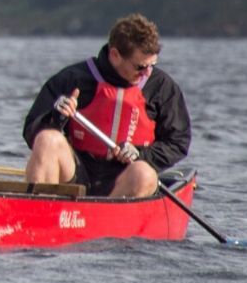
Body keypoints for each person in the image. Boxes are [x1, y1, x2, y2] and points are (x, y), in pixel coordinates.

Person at [22, 13, 190, 198]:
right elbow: (31, 129)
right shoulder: (73, 78)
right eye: (140, 67)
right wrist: (57, 116)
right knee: (47, 139)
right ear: (115, 55)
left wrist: (141, 154)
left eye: (152, 65)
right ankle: (39, 214)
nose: (147, 73)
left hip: (126, 179)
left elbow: (178, 142)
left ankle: (108, 222)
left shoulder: (162, 88)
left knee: (144, 173)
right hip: (78, 172)